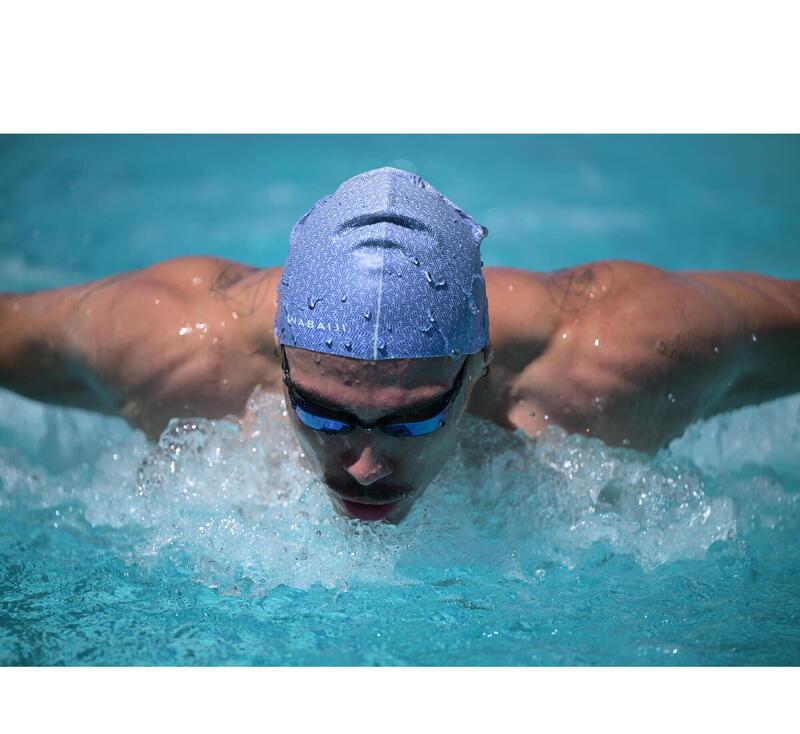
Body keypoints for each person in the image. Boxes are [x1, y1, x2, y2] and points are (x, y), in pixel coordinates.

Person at [1, 167, 799, 523]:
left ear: (478, 365)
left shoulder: (618, 357)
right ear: (280, 358)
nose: (365, 467)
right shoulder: (165, 347)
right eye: (321, 412)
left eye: (412, 419)